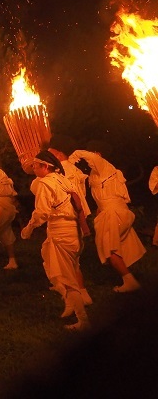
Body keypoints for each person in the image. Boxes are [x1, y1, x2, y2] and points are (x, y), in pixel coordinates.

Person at [20, 151, 89, 331]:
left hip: (61, 233)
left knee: (67, 278)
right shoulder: (63, 179)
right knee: (53, 263)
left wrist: (29, 228)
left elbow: (42, 212)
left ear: (45, 166)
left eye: (35, 165)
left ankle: (83, 320)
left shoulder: (46, 183)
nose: (33, 168)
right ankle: (70, 304)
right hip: (73, 232)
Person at [69, 142, 146, 292]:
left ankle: (130, 281)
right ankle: (130, 278)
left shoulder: (103, 166)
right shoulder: (99, 173)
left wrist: (73, 157)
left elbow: (88, 156)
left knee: (109, 249)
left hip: (114, 214)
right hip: (113, 212)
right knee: (115, 247)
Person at [48, 134, 93, 305]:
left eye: (51, 153)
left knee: (69, 262)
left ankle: (78, 296)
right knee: (73, 260)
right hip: (77, 216)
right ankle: (74, 290)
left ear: (59, 154)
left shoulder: (61, 171)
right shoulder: (75, 169)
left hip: (66, 218)